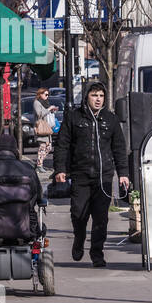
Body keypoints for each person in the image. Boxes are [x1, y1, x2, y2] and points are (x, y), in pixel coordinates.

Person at [53, 80, 128, 267]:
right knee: (78, 213)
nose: (98, 99)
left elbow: (119, 148)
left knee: (101, 217)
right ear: (86, 96)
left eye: (101, 96)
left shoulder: (110, 119)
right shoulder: (74, 117)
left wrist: (123, 173)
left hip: (104, 176)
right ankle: (79, 239)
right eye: (94, 95)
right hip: (81, 174)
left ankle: (97, 254)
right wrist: (60, 169)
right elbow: (62, 144)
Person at [32, 86, 57, 172]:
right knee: (42, 147)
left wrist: (52, 110)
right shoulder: (37, 102)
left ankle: (39, 163)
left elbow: (46, 112)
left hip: (47, 127)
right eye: (46, 94)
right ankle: (39, 165)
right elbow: (39, 114)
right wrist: (49, 109)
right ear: (40, 94)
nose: (47, 96)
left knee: (49, 147)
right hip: (41, 127)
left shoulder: (45, 102)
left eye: (48, 95)